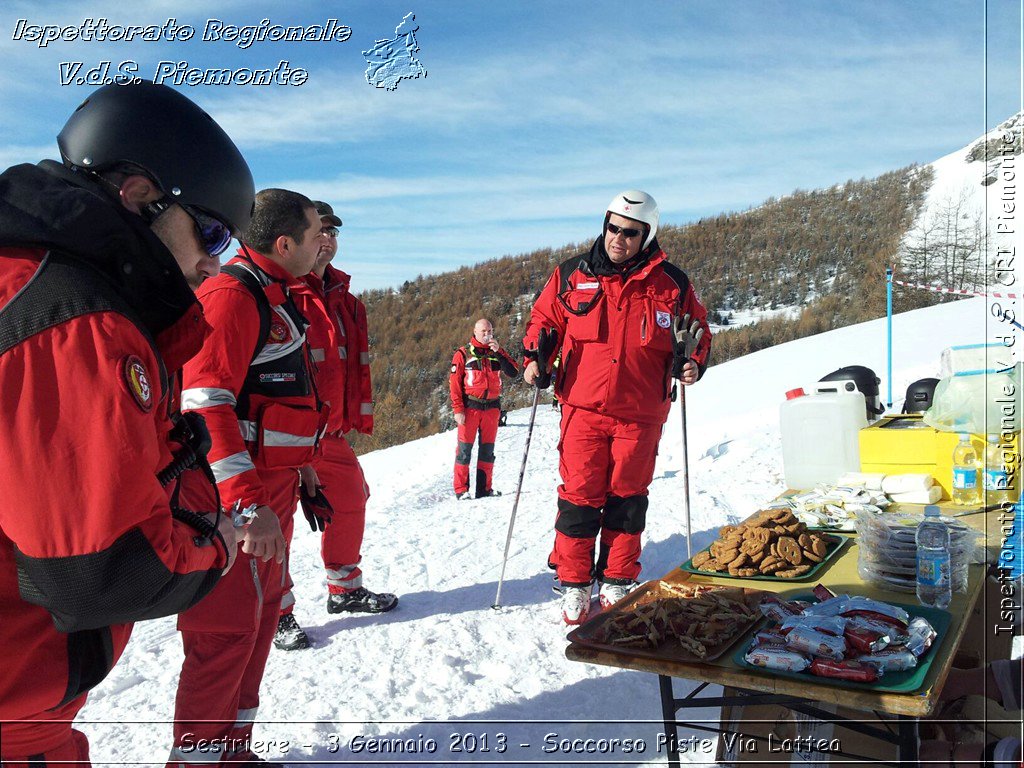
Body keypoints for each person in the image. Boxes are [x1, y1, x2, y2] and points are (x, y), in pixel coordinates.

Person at [0, 81, 250, 764]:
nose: (211, 262)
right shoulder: (69, 319)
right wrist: (218, 545)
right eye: (212, 232)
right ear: (140, 193)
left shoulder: (31, 281)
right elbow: (106, 572)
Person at [168, 189, 327, 767]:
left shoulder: (276, 294)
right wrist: (244, 504)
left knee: (258, 626)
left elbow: (275, 396)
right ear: (283, 243)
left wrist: (302, 466)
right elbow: (205, 401)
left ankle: (233, 753)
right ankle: (195, 761)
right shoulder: (232, 295)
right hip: (233, 502)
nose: (324, 244)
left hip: (274, 492)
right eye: (315, 235)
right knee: (224, 634)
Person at [522, 190, 711, 625]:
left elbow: (698, 332)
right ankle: (573, 581)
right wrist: (535, 356)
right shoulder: (572, 273)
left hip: (641, 412)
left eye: (630, 232)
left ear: (647, 235)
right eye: (612, 227)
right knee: (580, 495)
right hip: (582, 408)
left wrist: (692, 362)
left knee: (627, 498)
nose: (618, 238)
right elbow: (542, 321)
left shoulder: (672, 284)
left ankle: (618, 576)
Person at [273, 201, 397, 652]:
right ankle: (277, 612)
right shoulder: (280, 291)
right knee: (277, 524)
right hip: (281, 436)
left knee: (350, 502)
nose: (327, 239)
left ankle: (344, 588)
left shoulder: (344, 298)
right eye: (319, 231)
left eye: (333, 232)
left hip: (330, 433)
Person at [449, 318, 520, 499]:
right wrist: (458, 409)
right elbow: (455, 384)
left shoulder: (496, 352)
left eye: (490, 331)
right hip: (470, 407)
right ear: (475, 332)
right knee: (464, 451)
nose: (487, 335)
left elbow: (514, 371)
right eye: (483, 332)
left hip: (492, 408)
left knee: (487, 451)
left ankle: (484, 489)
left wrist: (500, 353)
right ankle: (461, 490)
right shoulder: (463, 353)